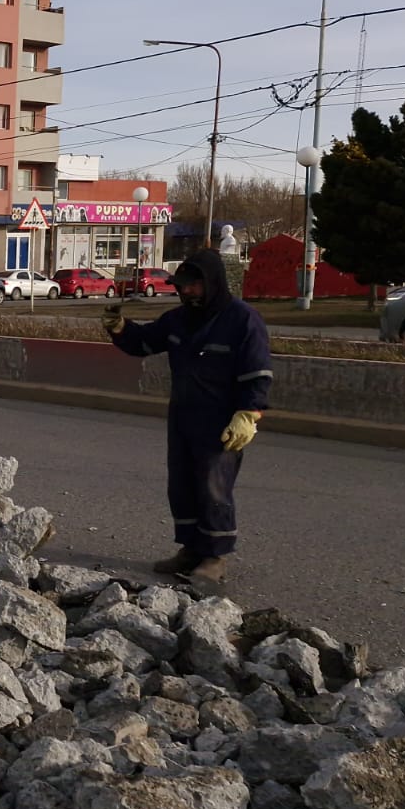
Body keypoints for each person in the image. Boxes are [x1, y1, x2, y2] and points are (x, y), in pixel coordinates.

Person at [101, 248, 273, 585]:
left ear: (212, 283)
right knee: (182, 485)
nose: (186, 292)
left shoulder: (242, 320)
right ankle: (191, 549)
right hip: (182, 416)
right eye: (182, 286)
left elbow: (258, 372)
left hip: (221, 420)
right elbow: (145, 343)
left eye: (193, 286)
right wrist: (119, 327)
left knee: (213, 487)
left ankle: (214, 556)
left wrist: (249, 413)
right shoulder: (178, 319)